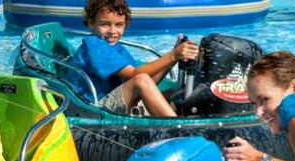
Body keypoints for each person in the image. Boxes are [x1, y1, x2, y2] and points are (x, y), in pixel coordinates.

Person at [67, 0, 199, 117]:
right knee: (140, 80)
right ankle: (179, 129)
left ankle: (192, 118)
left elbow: (148, 82)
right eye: (105, 24)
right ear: (91, 23)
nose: (113, 31)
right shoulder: (94, 46)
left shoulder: (116, 48)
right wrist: (173, 55)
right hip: (89, 110)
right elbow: (137, 77)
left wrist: (173, 59)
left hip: (106, 103)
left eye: (119, 25)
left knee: (174, 92)